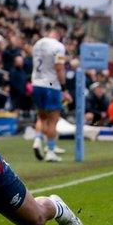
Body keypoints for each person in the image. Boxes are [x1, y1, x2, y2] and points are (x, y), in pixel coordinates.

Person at [31, 22, 69, 162]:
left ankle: (37, 140)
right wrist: (64, 88)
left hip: (36, 83)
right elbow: (59, 68)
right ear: (60, 32)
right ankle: (50, 151)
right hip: (51, 85)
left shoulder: (37, 44)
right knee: (53, 119)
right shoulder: (59, 47)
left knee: (41, 117)